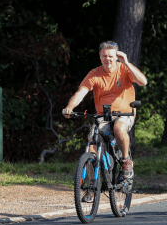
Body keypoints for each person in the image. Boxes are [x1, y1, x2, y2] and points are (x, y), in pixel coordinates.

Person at [62, 41, 147, 180]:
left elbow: (143, 82)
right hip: (103, 115)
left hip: (124, 113)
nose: (108, 59)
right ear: (100, 57)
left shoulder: (124, 69)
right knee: (91, 146)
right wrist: (70, 108)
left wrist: (126, 62)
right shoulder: (94, 74)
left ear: (116, 56)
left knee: (119, 129)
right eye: (104, 56)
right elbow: (80, 93)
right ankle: (90, 187)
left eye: (111, 56)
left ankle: (126, 161)